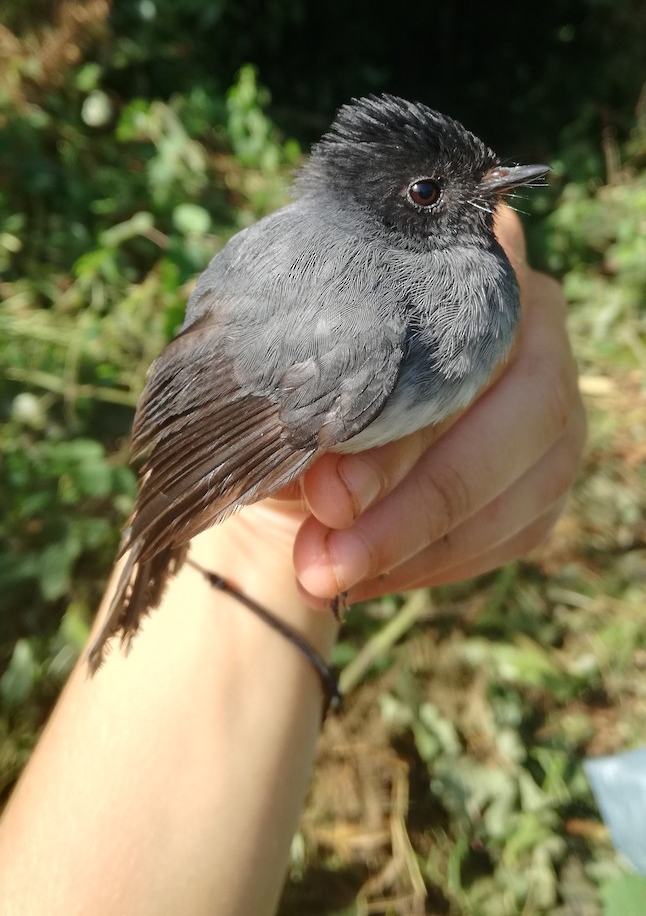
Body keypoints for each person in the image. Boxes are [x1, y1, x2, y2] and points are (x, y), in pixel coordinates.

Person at [0, 207, 586, 916]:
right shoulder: (362, 323)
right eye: (435, 189)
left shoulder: (446, 278)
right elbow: (225, 408)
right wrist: (188, 527)